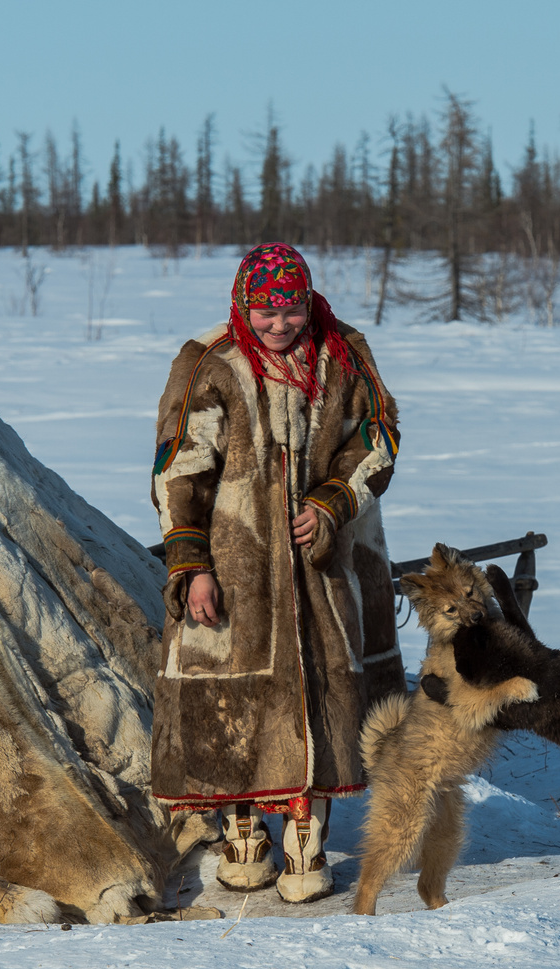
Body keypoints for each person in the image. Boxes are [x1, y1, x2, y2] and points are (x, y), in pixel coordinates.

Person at [150, 243, 404, 903]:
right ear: (243, 303)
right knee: (231, 704)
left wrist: (332, 502)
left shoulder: (343, 352)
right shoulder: (208, 361)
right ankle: (243, 835)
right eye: (264, 310)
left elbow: (378, 437)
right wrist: (191, 563)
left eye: (289, 308)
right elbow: (179, 470)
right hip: (236, 565)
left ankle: (305, 841)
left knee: (323, 695)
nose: (278, 324)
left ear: (306, 300)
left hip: (325, 565)